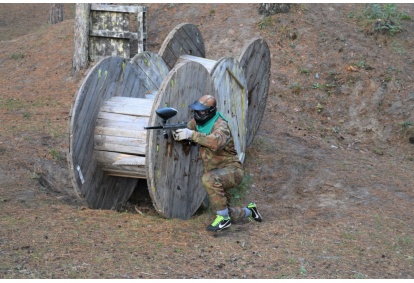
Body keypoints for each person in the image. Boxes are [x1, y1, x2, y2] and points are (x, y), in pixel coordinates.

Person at [173, 94, 262, 232]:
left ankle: (224, 220)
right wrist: (179, 134)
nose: (198, 114)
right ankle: (250, 211)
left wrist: (191, 135)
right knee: (226, 212)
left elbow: (215, 142)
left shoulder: (221, 125)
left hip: (232, 171)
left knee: (209, 180)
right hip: (216, 173)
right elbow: (187, 129)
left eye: (201, 111)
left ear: (210, 112)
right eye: (196, 111)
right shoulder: (197, 122)